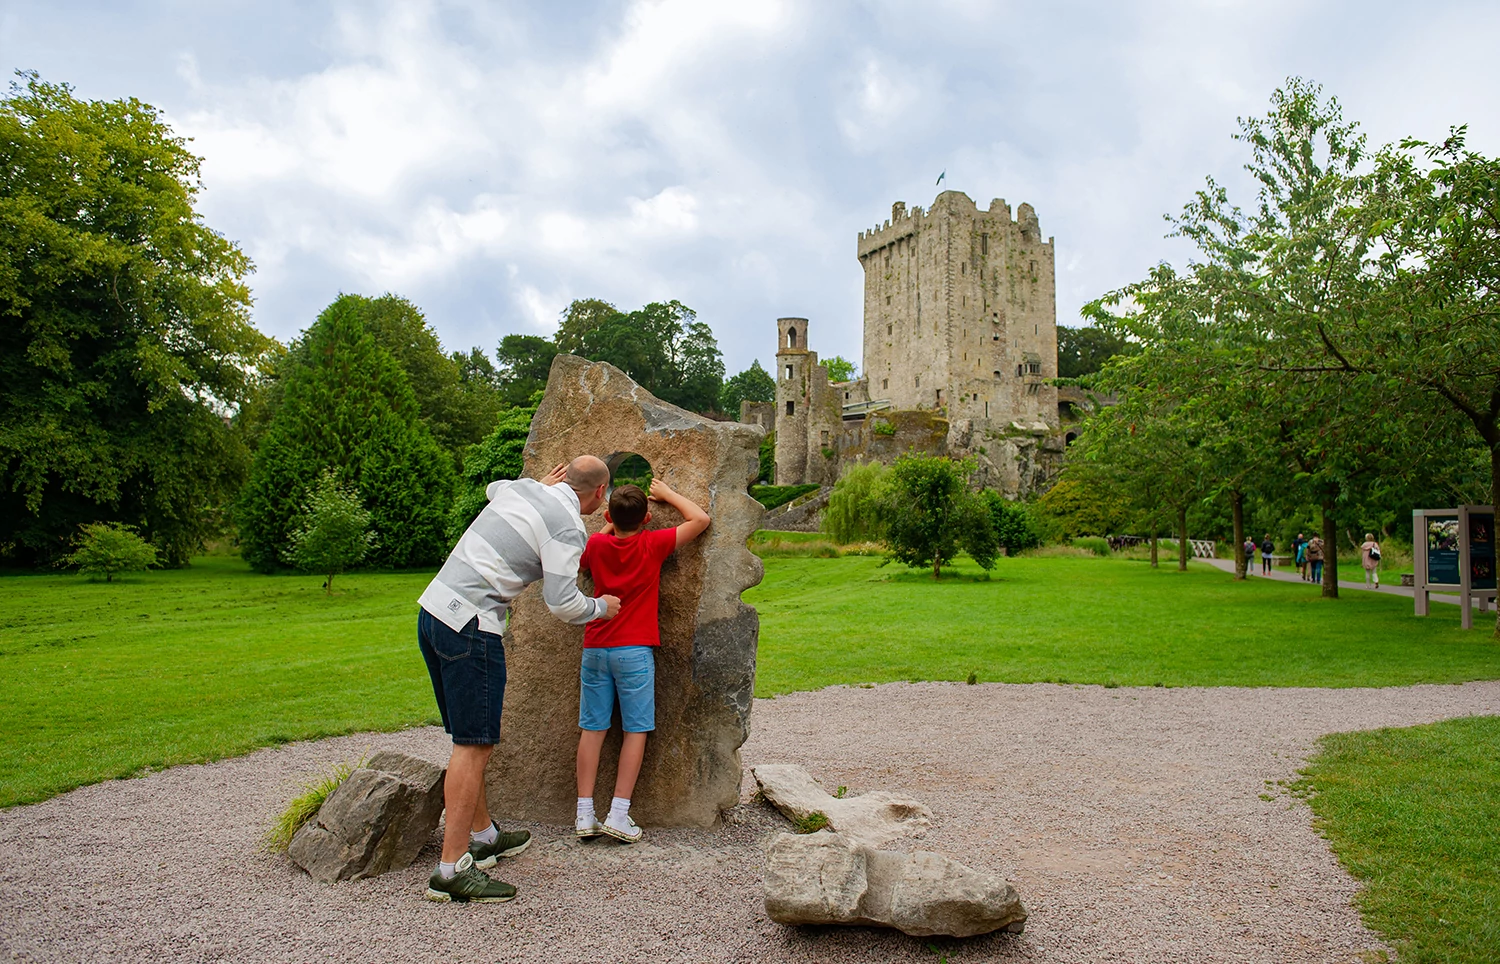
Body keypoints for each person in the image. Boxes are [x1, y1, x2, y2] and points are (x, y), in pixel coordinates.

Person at [415, 456, 622, 903]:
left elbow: (493, 488)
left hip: (432, 612)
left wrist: (536, 484)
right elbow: (563, 603)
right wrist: (601, 607)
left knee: (467, 740)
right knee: (474, 747)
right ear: (600, 493)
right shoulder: (568, 527)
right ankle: (450, 871)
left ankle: (485, 837)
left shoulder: (520, 489)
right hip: (472, 626)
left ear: (562, 476)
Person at [575, 477, 710, 844]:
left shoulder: (597, 545)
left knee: (592, 728)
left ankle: (584, 812)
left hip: (596, 647)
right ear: (647, 518)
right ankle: (618, 813)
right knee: (636, 729)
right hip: (634, 651)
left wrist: (607, 525)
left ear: (607, 514)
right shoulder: (652, 543)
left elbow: (586, 559)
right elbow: (700, 520)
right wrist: (668, 494)